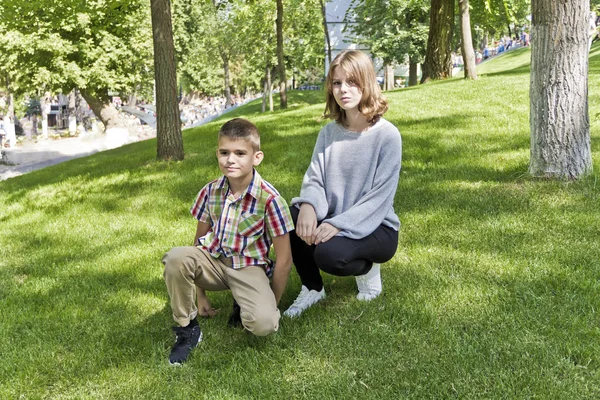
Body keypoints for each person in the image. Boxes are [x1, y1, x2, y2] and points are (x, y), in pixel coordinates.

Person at [162, 118, 294, 364]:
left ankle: (246, 299)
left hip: (249, 267)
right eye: (224, 152)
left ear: (257, 157)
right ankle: (187, 329)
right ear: (217, 154)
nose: (230, 159)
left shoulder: (270, 200)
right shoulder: (210, 191)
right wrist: (200, 296)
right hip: (215, 261)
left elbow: (285, 260)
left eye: (240, 153)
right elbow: (198, 245)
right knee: (176, 258)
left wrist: (272, 304)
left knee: (264, 325)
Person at [283, 50, 402, 318]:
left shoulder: (387, 136)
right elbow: (315, 177)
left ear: (367, 83)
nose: (343, 90)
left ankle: (369, 271)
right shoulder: (328, 133)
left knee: (329, 256)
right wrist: (310, 206)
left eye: (351, 82)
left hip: (377, 226)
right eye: (337, 83)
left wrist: (337, 225)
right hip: (334, 217)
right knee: (291, 218)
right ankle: (312, 289)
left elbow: (378, 199)